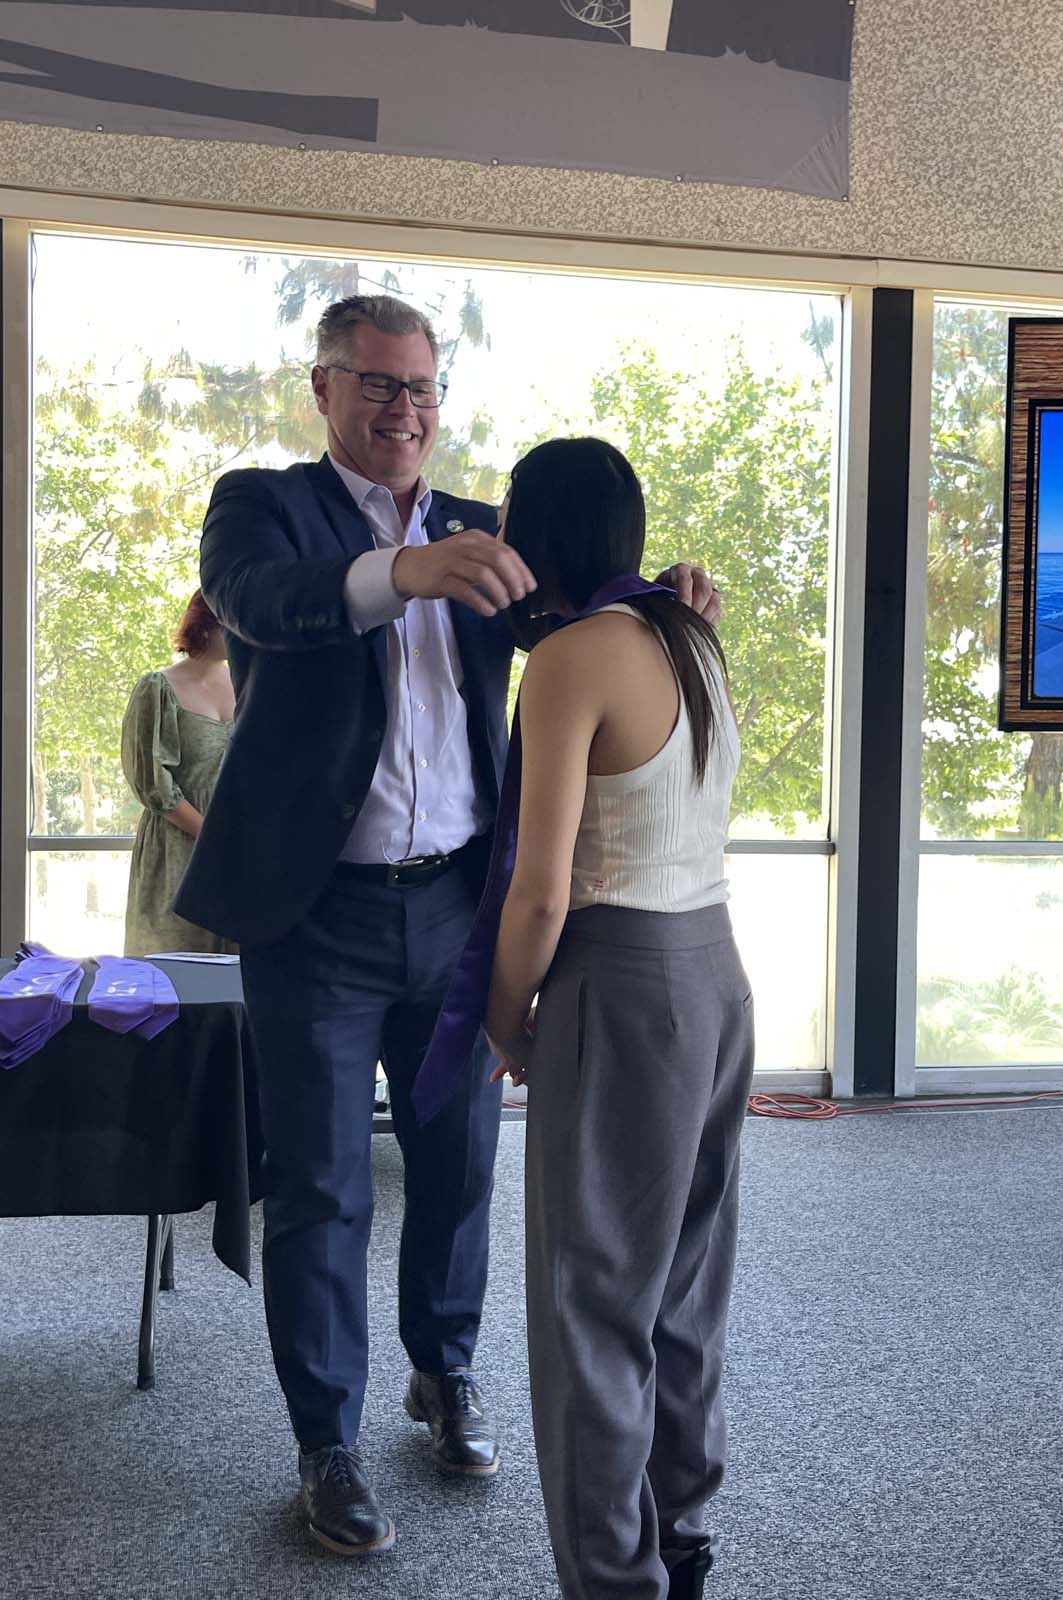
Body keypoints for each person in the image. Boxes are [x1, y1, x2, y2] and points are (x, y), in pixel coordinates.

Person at [172, 294, 719, 1558]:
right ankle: (328, 1441)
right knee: (319, 1185)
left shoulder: (489, 527)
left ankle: (444, 1371)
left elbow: (580, 615)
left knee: (461, 1165)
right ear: (324, 387)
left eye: (424, 389)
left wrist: (661, 594)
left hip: (460, 905)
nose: (406, 410)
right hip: (315, 916)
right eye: (379, 386)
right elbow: (264, 600)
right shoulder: (262, 504)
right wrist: (402, 573)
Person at [484, 438, 753, 1600]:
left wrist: (504, 1018)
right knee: (685, 1279)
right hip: (717, 971)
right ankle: (678, 1531)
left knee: (589, 1298)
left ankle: (612, 1580)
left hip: (620, 981)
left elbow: (541, 888)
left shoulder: (567, 659)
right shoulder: (690, 637)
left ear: (531, 533)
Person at [120, 590, 236, 956]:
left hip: (238, 846)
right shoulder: (158, 688)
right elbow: (154, 785)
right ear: (205, 626)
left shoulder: (250, 684)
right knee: (175, 978)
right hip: (177, 848)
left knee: (239, 984)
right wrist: (213, 836)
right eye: (233, 624)